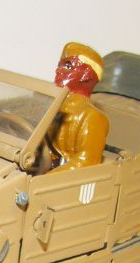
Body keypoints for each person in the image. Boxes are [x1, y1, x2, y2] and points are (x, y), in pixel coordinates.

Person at [50, 42, 109, 172]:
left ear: (86, 74)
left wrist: (42, 179)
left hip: (64, 180)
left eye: (68, 66)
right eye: (59, 65)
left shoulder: (93, 118)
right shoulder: (50, 106)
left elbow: (84, 165)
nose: (58, 70)